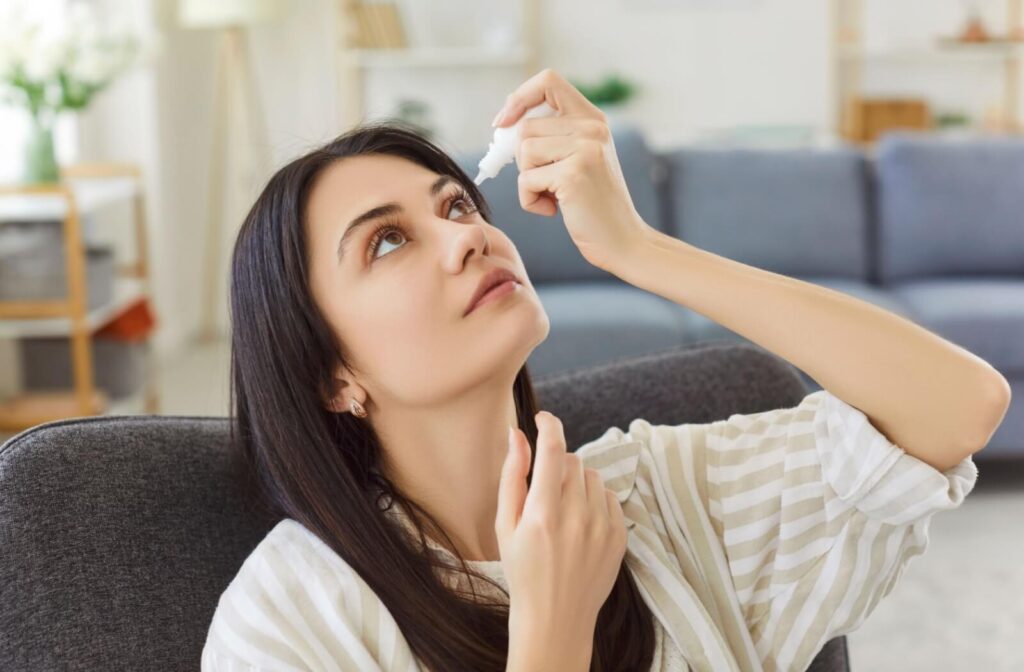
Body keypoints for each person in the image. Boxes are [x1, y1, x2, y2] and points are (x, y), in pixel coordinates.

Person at [201, 69, 998, 671]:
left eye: (455, 206)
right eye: (387, 240)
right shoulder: (288, 619)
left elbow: (960, 403)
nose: (466, 237)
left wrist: (636, 248)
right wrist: (552, 624)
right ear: (331, 378)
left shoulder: (659, 497)